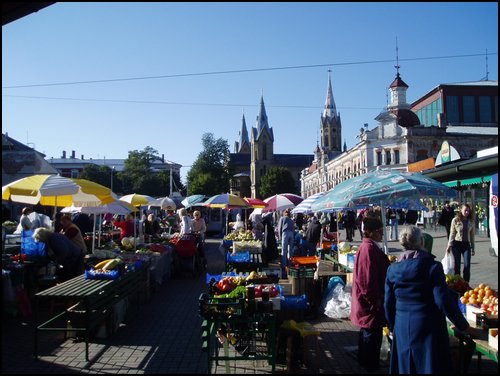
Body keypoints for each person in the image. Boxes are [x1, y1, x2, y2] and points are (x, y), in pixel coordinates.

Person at [384, 225, 481, 374]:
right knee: (429, 366)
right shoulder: (432, 267)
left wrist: (393, 325)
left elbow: (388, 303)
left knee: (406, 367)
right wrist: (463, 326)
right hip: (428, 327)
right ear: (421, 242)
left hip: (402, 325)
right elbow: (443, 301)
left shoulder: (393, 269)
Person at [350, 216, 390, 372]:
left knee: (367, 336)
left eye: (382, 230)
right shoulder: (368, 249)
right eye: (379, 231)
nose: (382, 234)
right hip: (370, 306)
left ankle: (365, 365)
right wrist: (375, 300)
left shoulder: (370, 247)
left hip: (369, 305)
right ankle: (368, 367)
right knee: (370, 340)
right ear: (370, 232)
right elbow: (367, 280)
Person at [446, 203, 475, 282]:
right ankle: (457, 283)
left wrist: (473, 248)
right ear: (461, 210)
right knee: (457, 266)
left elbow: (472, 236)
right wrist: (449, 245)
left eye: (468, 211)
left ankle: (466, 283)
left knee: (467, 265)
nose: (467, 212)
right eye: (465, 210)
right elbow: (452, 233)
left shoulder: (471, 221)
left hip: (466, 245)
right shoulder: (455, 220)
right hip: (457, 244)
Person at [278, 208, 295, 274]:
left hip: (285, 233)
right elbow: (293, 228)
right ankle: (289, 264)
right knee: (290, 250)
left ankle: (284, 265)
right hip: (291, 234)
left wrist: (280, 237)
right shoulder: (291, 220)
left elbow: (280, 228)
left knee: (284, 250)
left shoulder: (282, 218)